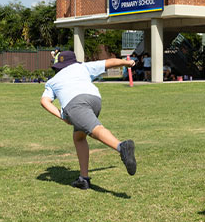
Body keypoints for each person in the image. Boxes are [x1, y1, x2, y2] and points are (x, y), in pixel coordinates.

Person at [40, 51, 137, 190]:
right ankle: (83, 179)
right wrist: (127, 63)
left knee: (95, 129)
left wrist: (62, 115)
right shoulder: (82, 67)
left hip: (75, 104)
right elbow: (108, 62)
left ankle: (122, 147)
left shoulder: (52, 81)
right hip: (95, 99)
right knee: (79, 137)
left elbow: (44, 101)